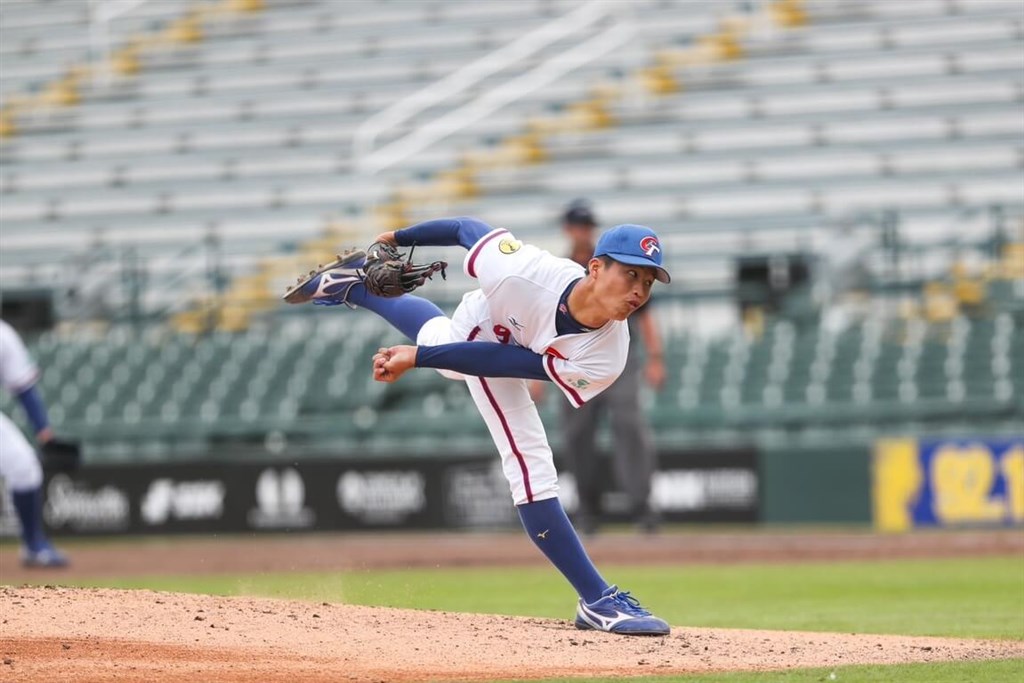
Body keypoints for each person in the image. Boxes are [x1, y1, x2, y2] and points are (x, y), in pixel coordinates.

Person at [284, 216, 671, 635]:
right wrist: (397, 237)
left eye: (648, 282)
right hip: (484, 324)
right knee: (531, 465)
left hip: (510, 349)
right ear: (595, 268)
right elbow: (466, 230)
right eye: (630, 273)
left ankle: (350, 286)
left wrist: (419, 357)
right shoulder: (523, 271)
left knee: (435, 340)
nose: (638, 290)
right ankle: (597, 600)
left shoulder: (609, 354)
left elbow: (513, 364)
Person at [534, 200, 664, 534]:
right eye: (578, 226)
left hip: (619, 358)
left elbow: (646, 315)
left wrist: (655, 357)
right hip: (571, 360)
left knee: (628, 424)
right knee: (578, 434)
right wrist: (535, 375)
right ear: (568, 229)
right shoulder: (561, 267)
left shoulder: (619, 262)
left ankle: (642, 508)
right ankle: (588, 511)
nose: (583, 231)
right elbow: (543, 322)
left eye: (587, 226)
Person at [0, 320, 68, 567]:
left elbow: (24, 389)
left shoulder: (3, 335)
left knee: (24, 465)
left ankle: (34, 546)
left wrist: (45, 433)